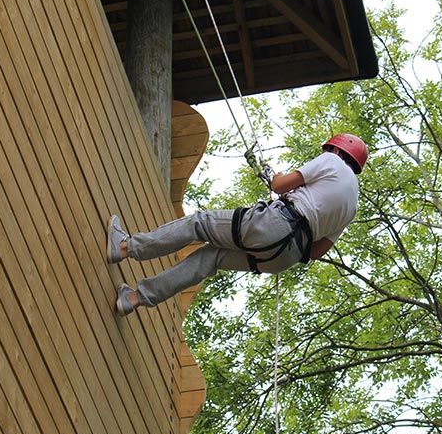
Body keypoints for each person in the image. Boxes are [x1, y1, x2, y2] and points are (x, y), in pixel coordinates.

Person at [107, 133, 368, 316]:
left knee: (201, 223)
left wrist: (276, 180)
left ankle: (125, 247)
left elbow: (279, 185)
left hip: (274, 225)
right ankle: (133, 299)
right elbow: (315, 252)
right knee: (209, 259)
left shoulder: (333, 162)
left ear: (336, 151)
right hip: (283, 258)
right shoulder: (352, 206)